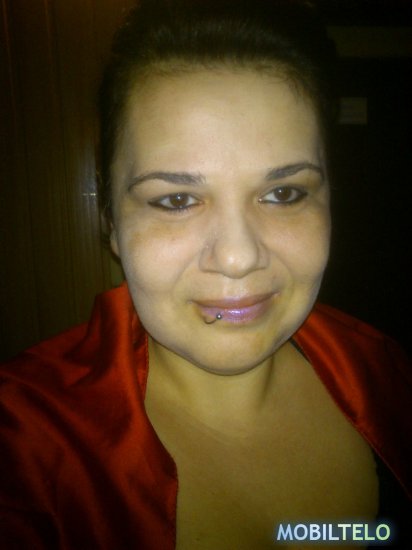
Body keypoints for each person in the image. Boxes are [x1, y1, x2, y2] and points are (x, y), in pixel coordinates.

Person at [1, 0, 411, 548]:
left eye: (284, 193)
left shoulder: (387, 371)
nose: (238, 258)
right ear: (111, 221)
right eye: (176, 200)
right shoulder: (22, 446)